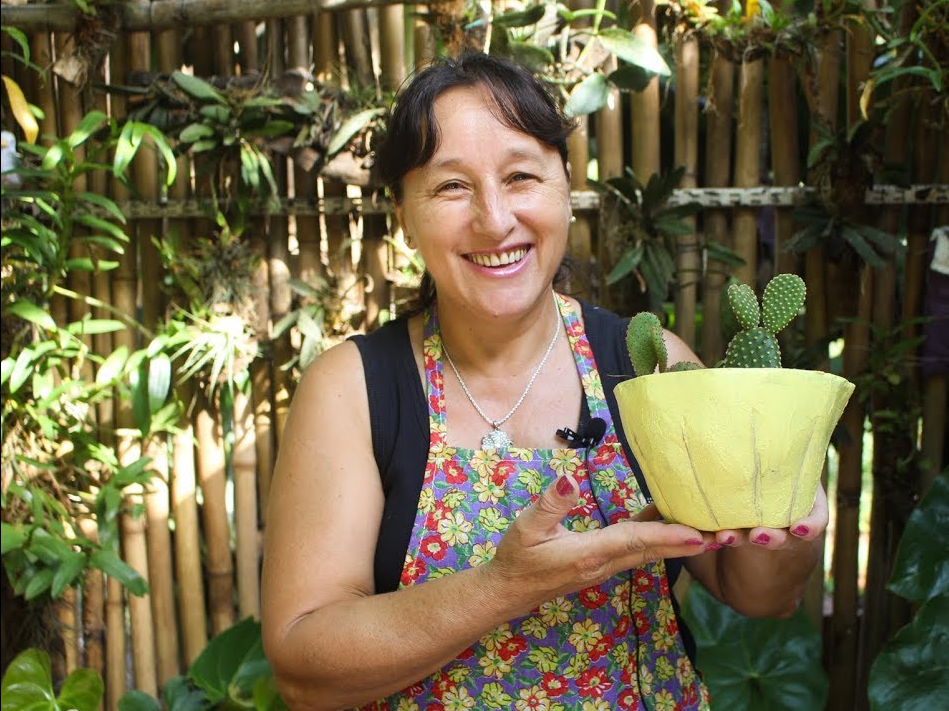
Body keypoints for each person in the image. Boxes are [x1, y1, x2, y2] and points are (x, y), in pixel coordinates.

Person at [260, 50, 829, 711]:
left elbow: (757, 593)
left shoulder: (646, 364)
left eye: (521, 176)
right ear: (403, 214)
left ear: (565, 186)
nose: (494, 219)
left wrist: (790, 533)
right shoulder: (353, 390)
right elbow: (305, 671)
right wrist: (505, 584)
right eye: (451, 187)